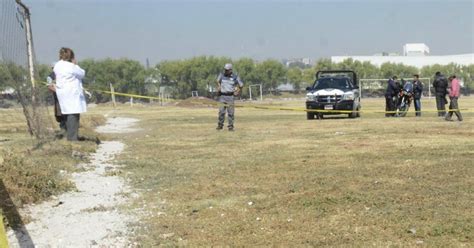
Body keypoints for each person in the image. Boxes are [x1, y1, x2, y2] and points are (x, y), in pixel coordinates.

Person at [52, 47, 87, 141]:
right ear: (71, 56)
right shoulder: (71, 66)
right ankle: (72, 138)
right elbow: (82, 73)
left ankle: (69, 136)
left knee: (66, 114)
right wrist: (75, 64)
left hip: (62, 93)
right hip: (72, 94)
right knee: (73, 116)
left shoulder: (57, 65)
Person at [216, 63, 243, 131]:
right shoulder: (221, 75)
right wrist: (219, 86)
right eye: (225, 69)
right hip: (222, 96)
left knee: (231, 113)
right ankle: (220, 125)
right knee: (221, 112)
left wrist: (238, 91)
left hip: (230, 97)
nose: (225, 71)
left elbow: (241, 85)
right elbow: (217, 81)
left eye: (227, 70)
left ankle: (230, 127)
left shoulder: (235, 76)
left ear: (231, 70)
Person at [46, 64, 67, 136]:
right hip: (58, 98)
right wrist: (58, 91)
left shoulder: (64, 75)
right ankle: (63, 129)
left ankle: (68, 129)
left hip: (67, 97)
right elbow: (49, 86)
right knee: (59, 114)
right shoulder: (50, 77)